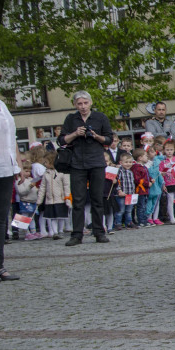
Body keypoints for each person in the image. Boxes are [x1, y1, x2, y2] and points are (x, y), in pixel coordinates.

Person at [58, 90, 115, 246]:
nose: (82, 106)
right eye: (79, 104)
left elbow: (109, 139)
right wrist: (75, 133)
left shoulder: (100, 117)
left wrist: (96, 136)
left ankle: (99, 232)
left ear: (90, 103)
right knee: (78, 200)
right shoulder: (71, 119)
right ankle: (77, 234)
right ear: (75, 105)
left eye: (85, 103)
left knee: (97, 199)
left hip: (96, 162)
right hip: (77, 163)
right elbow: (61, 140)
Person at [36, 152, 70, 239]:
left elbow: (66, 186)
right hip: (50, 199)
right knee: (52, 217)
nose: (45, 164)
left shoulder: (62, 173)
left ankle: (60, 231)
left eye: (46, 162)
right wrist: (39, 200)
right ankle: (55, 232)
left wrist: (67, 198)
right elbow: (42, 187)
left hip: (60, 198)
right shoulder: (46, 174)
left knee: (61, 216)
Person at [115, 152, 138, 230]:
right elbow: (117, 182)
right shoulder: (119, 171)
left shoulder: (130, 172)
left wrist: (133, 192)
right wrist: (119, 191)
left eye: (130, 162)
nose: (128, 164)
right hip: (122, 194)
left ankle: (129, 222)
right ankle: (118, 223)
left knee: (129, 210)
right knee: (120, 210)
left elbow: (132, 183)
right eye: (126, 162)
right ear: (121, 162)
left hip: (129, 194)